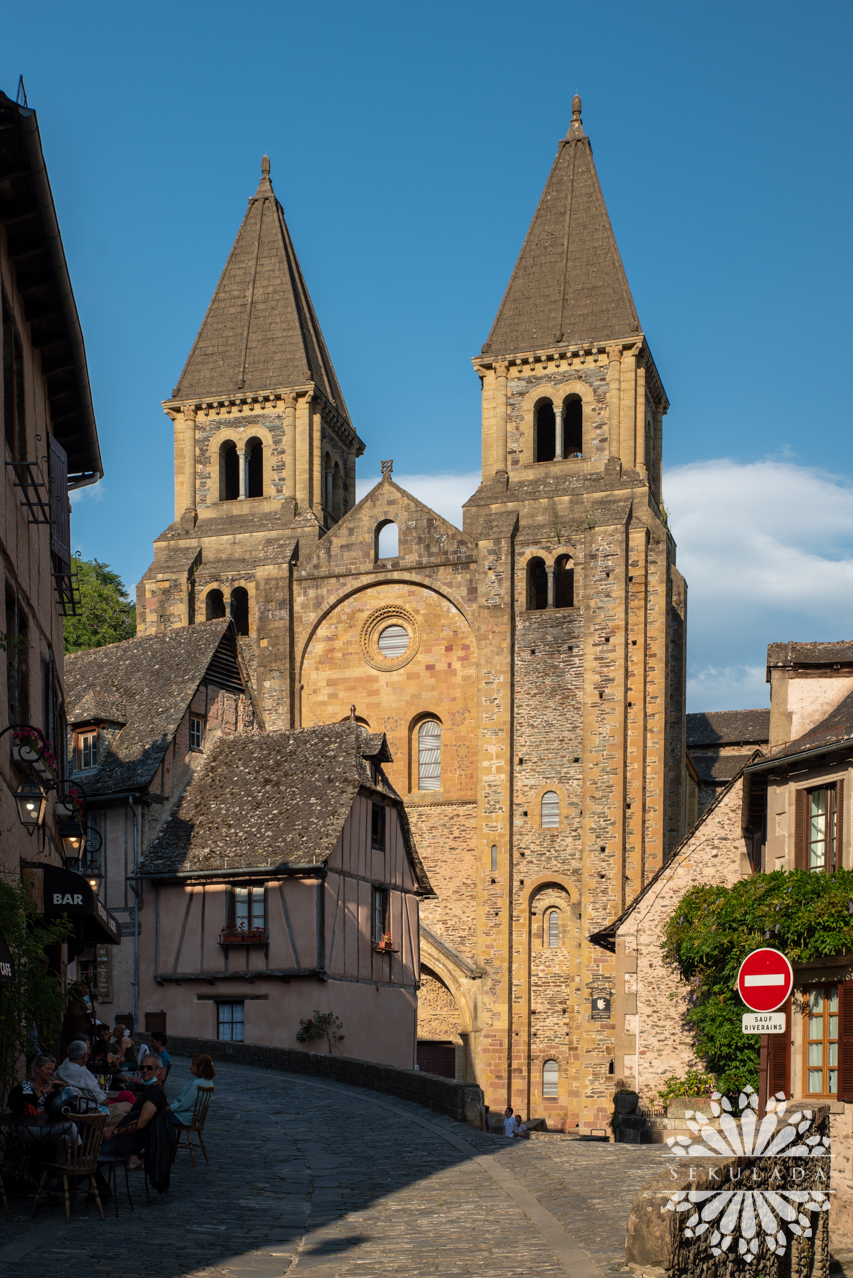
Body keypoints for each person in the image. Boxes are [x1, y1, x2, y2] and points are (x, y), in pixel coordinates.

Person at [103, 1054, 170, 1170]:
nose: (145, 1070)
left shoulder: (155, 1093)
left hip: (127, 1142)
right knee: (84, 1150)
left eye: (149, 1068)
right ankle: (102, 1187)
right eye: (142, 1067)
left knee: (89, 1157)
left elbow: (141, 1123)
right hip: (124, 1137)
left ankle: (65, 1185)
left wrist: (114, 1132)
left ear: (159, 1071)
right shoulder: (150, 1090)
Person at [55, 1039, 108, 1109]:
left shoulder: (60, 1069)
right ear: (84, 1055)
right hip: (91, 1113)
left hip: (68, 1109)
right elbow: (103, 1101)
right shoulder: (84, 1073)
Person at [169, 1054, 215, 1127]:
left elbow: (184, 1105)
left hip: (184, 1118)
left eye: (193, 1063)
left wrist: (171, 1107)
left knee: (155, 1116)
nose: (190, 1065)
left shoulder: (197, 1084)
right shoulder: (209, 1082)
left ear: (200, 1067)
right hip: (194, 1118)